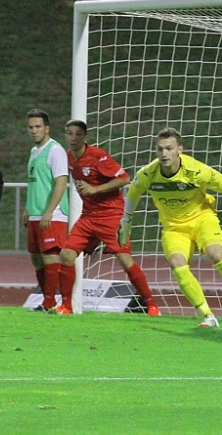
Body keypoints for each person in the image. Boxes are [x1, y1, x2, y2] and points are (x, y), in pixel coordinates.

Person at [117, 128, 222, 328]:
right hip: (174, 228)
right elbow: (133, 193)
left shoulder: (196, 170)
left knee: (216, 255)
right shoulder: (148, 173)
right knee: (177, 264)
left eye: (169, 148)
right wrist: (126, 222)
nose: (164, 154)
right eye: (160, 149)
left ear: (179, 149)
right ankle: (207, 315)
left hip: (202, 219)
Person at [59, 120, 160, 315]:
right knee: (67, 254)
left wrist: (95, 189)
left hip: (111, 214)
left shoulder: (98, 156)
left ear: (85, 137)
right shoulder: (69, 157)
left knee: (124, 258)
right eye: (69, 133)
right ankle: (66, 306)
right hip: (89, 216)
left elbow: (124, 178)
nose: (73, 138)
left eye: (78, 134)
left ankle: (151, 305)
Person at [22, 110, 69, 312]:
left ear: (47, 128)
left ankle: (50, 302)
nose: (34, 131)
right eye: (31, 127)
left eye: (38, 127)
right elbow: (36, 183)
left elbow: (61, 182)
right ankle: (47, 298)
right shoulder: (34, 151)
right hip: (35, 213)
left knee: (51, 257)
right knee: (36, 258)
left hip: (53, 214)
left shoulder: (55, 150)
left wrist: (49, 211)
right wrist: (28, 208)